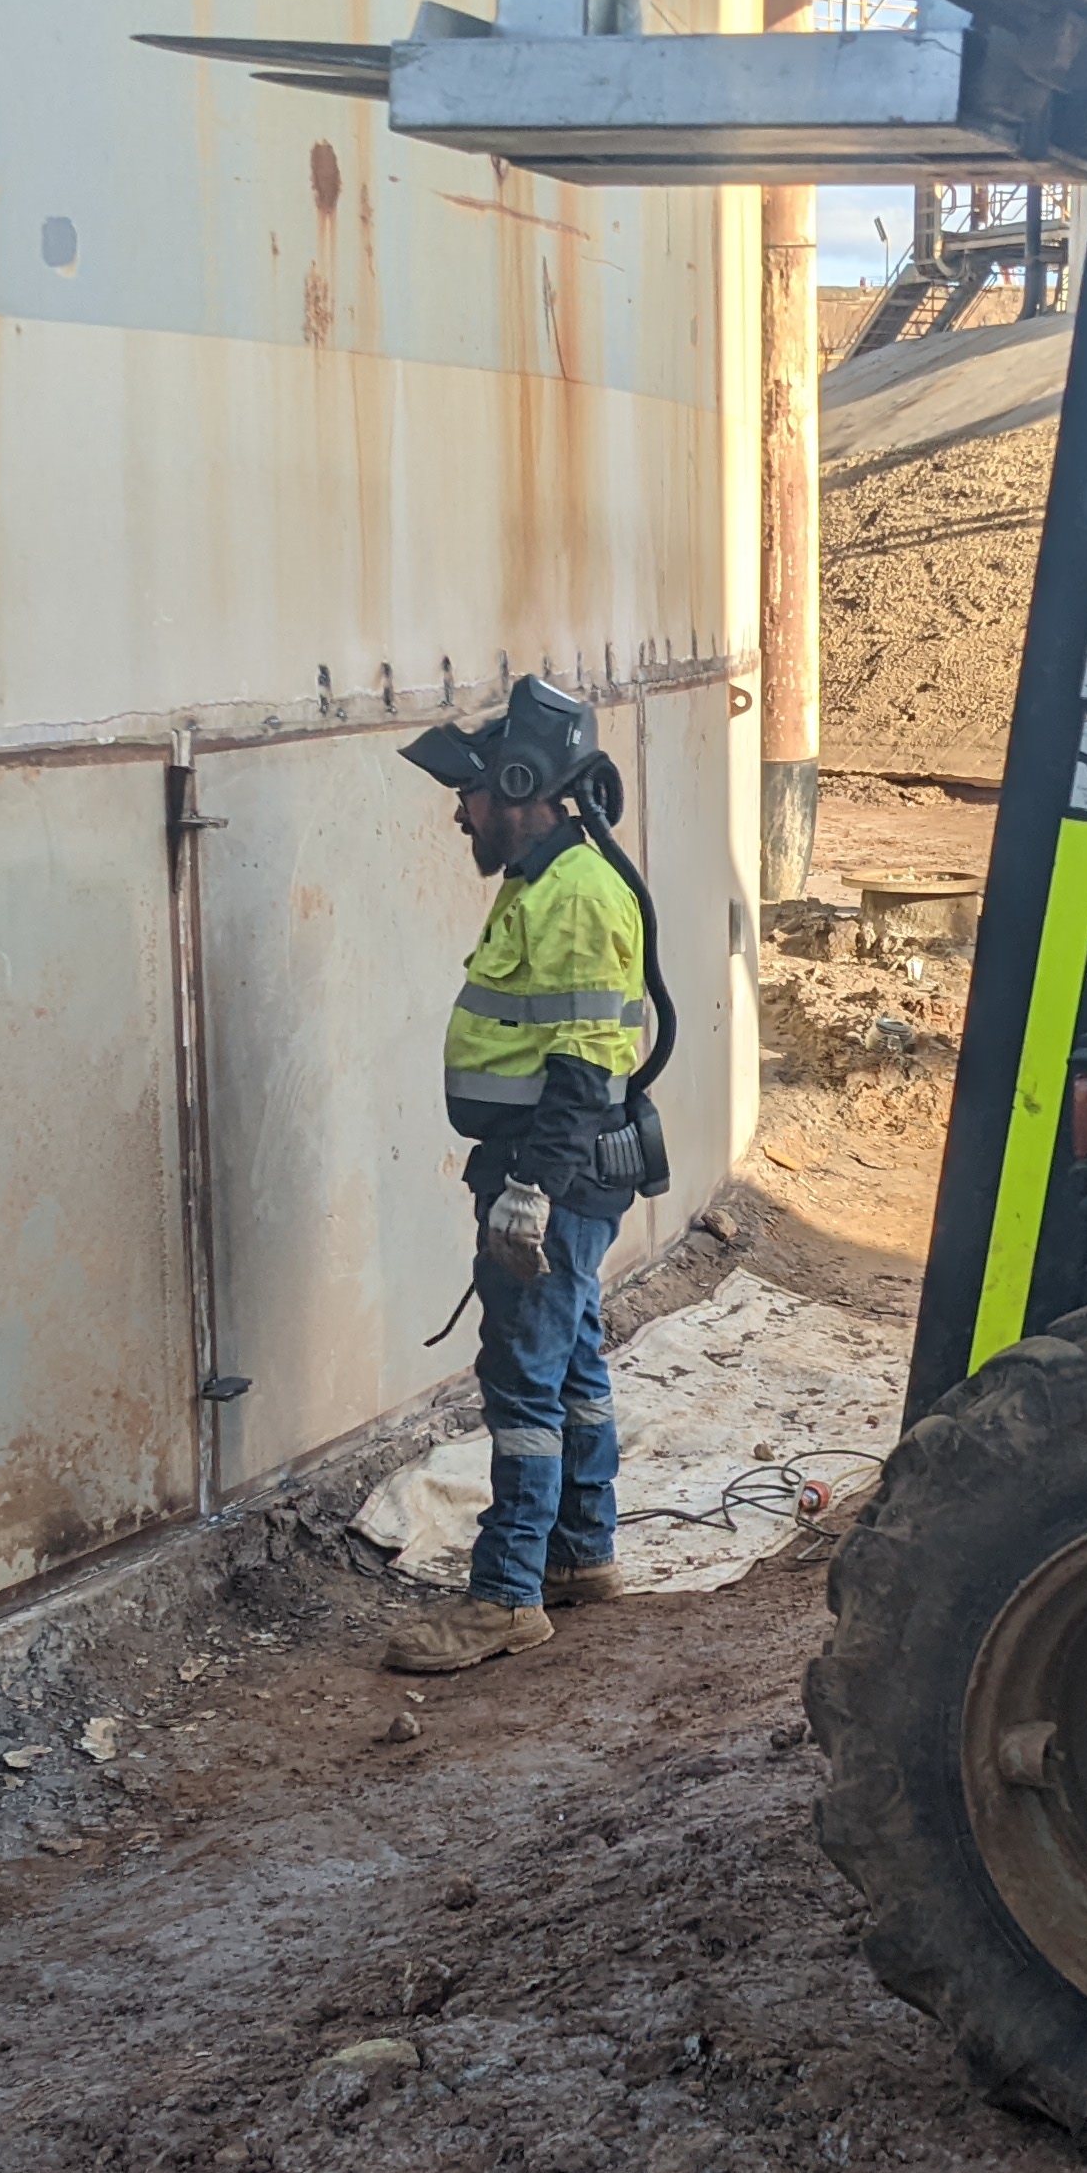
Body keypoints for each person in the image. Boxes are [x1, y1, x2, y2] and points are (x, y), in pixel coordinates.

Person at [384, 675, 660, 1675]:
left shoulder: (576, 894)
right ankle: (581, 1554)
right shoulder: (545, 882)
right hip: (555, 1169)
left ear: (520, 784)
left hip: (555, 1172)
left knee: (524, 1381)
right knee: (575, 1361)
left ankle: (505, 1596)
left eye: (470, 795)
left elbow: (586, 1065)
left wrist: (530, 1192)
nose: (460, 812)